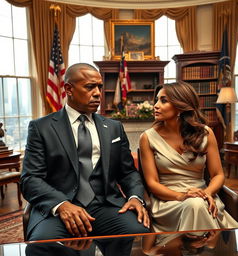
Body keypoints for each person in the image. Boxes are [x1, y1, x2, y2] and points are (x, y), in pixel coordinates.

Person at [21, 63, 150, 241]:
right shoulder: (41, 128)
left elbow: (128, 172)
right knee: (44, 244)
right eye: (90, 87)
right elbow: (30, 179)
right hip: (59, 209)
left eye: (99, 87)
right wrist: (62, 205)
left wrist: (135, 197)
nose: (98, 93)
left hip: (107, 206)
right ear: (69, 89)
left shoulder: (113, 127)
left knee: (142, 234)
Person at [139, 81, 238, 233]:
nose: (156, 105)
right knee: (195, 205)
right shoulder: (147, 137)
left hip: (204, 198)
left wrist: (206, 194)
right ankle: (209, 246)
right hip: (169, 202)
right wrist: (182, 196)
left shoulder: (206, 134)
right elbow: (152, 184)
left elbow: (218, 175)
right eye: (157, 100)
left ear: (181, 106)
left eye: (164, 100)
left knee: (197, 204)